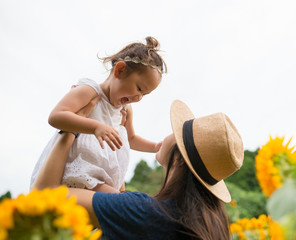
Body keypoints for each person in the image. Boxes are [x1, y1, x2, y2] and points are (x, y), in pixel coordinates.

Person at [33, 99, 244, 240]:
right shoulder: (211, 226)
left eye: (176, 132)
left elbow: (45, 195)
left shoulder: (147, 212)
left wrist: (75, 127)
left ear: (179, 160)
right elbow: (120, 205)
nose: (167, 135)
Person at [30, 36, 167, 193]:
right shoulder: (90, 91)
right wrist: (95, 127)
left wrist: (155, 147)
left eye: (145, 95)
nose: (139, 98)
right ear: (120, 70)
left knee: (118, 204)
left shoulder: (125, 110)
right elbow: (56, 116)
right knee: (120, 204)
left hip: (103, 175)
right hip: (77, 169)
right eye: (139, 88)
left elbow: (131, 139)